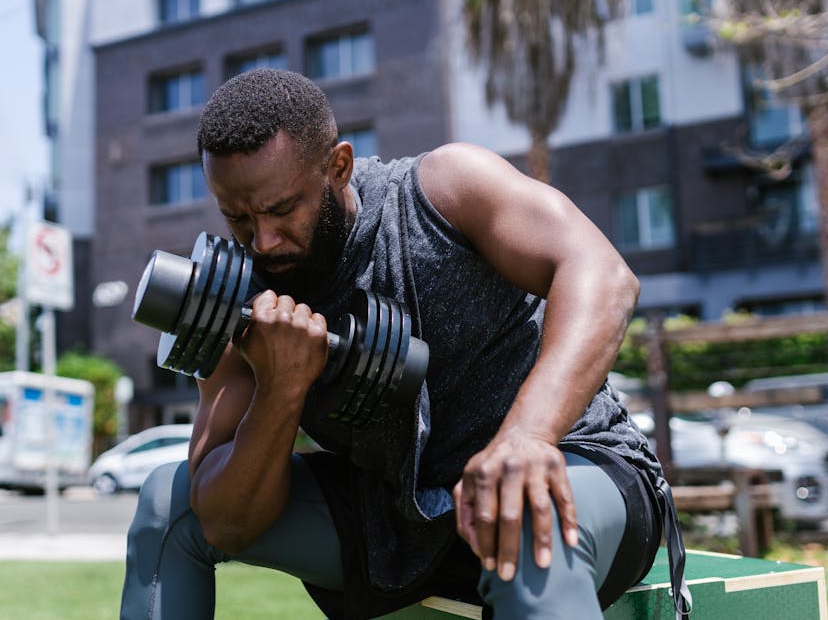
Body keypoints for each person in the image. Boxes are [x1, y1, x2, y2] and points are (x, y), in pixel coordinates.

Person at [120, 68, 690, 620]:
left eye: (281, 209)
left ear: (337, 166)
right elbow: (227, 522)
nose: (263, 240)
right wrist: (281, 388)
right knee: (169, 504)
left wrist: (528, 437)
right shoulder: (239, 303)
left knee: (522, 518)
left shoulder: (443, 191)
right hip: (399, 524)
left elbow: (603, 275)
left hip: (573, 467)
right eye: (237, 217)